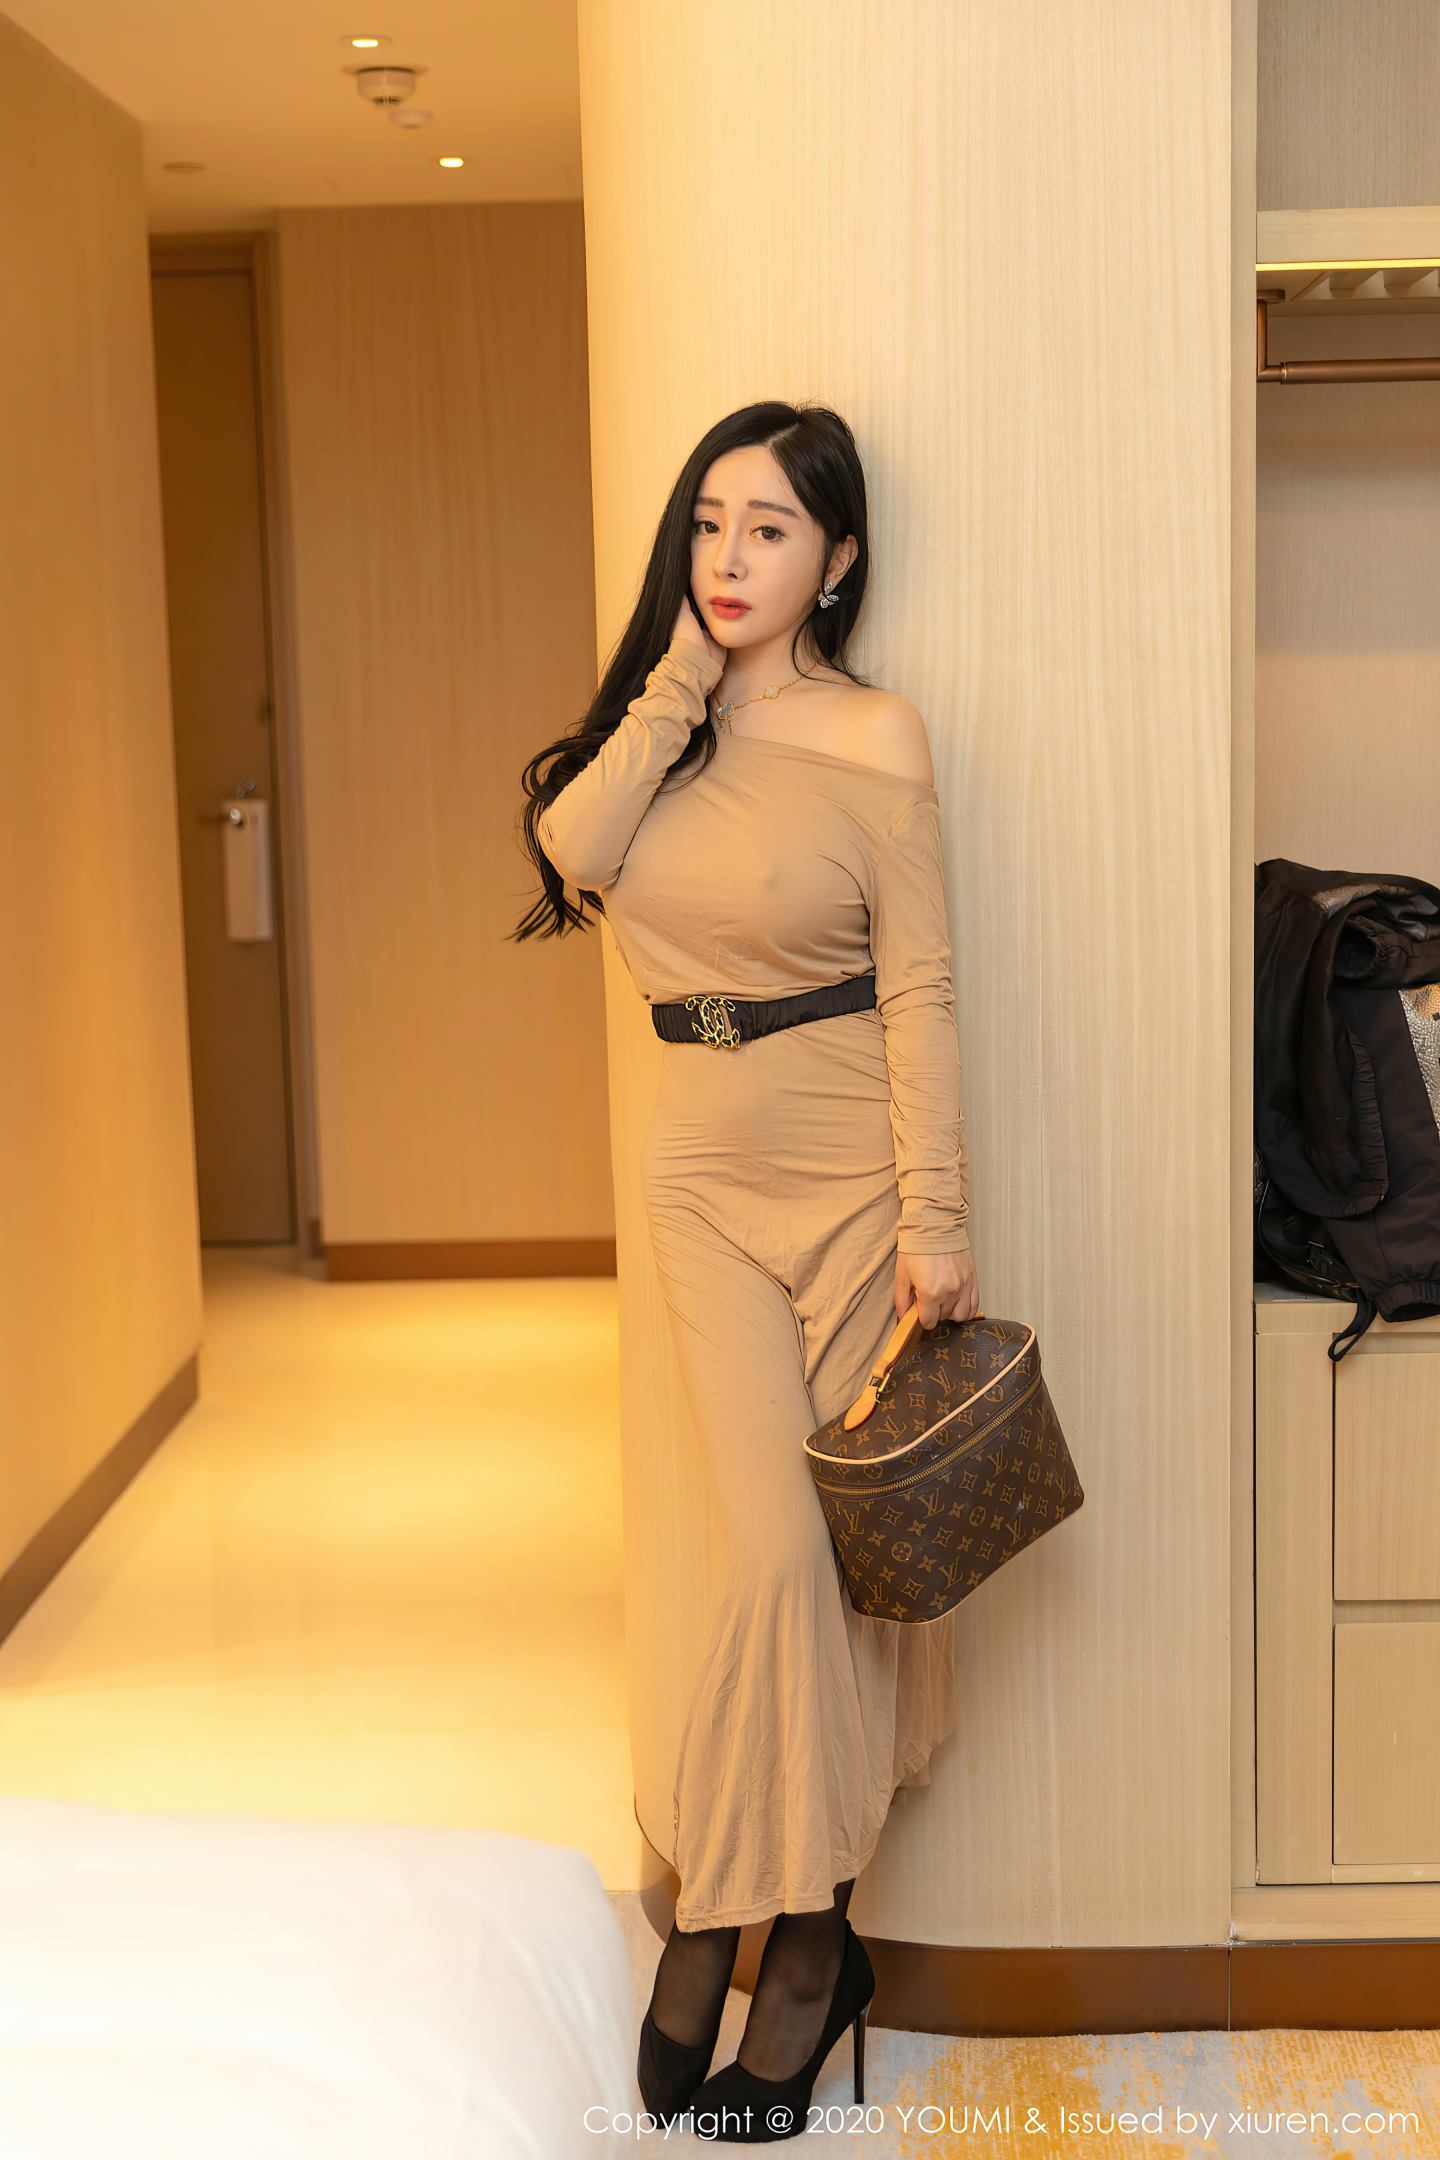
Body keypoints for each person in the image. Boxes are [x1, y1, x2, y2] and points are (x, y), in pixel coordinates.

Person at [513, 400, 978, 2142]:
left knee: (828, 1567)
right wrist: (681, 689)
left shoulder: (877, 734)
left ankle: (765, 1939)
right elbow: (575, 856)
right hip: (698, 1171)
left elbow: (919, 985)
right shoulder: (659, 735)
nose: (730, 556)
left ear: (835, 561)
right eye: (711, 521)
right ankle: (765, 1926)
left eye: (771, 529)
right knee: (775, 1557)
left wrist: (939, 1215)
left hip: (854, 1172)